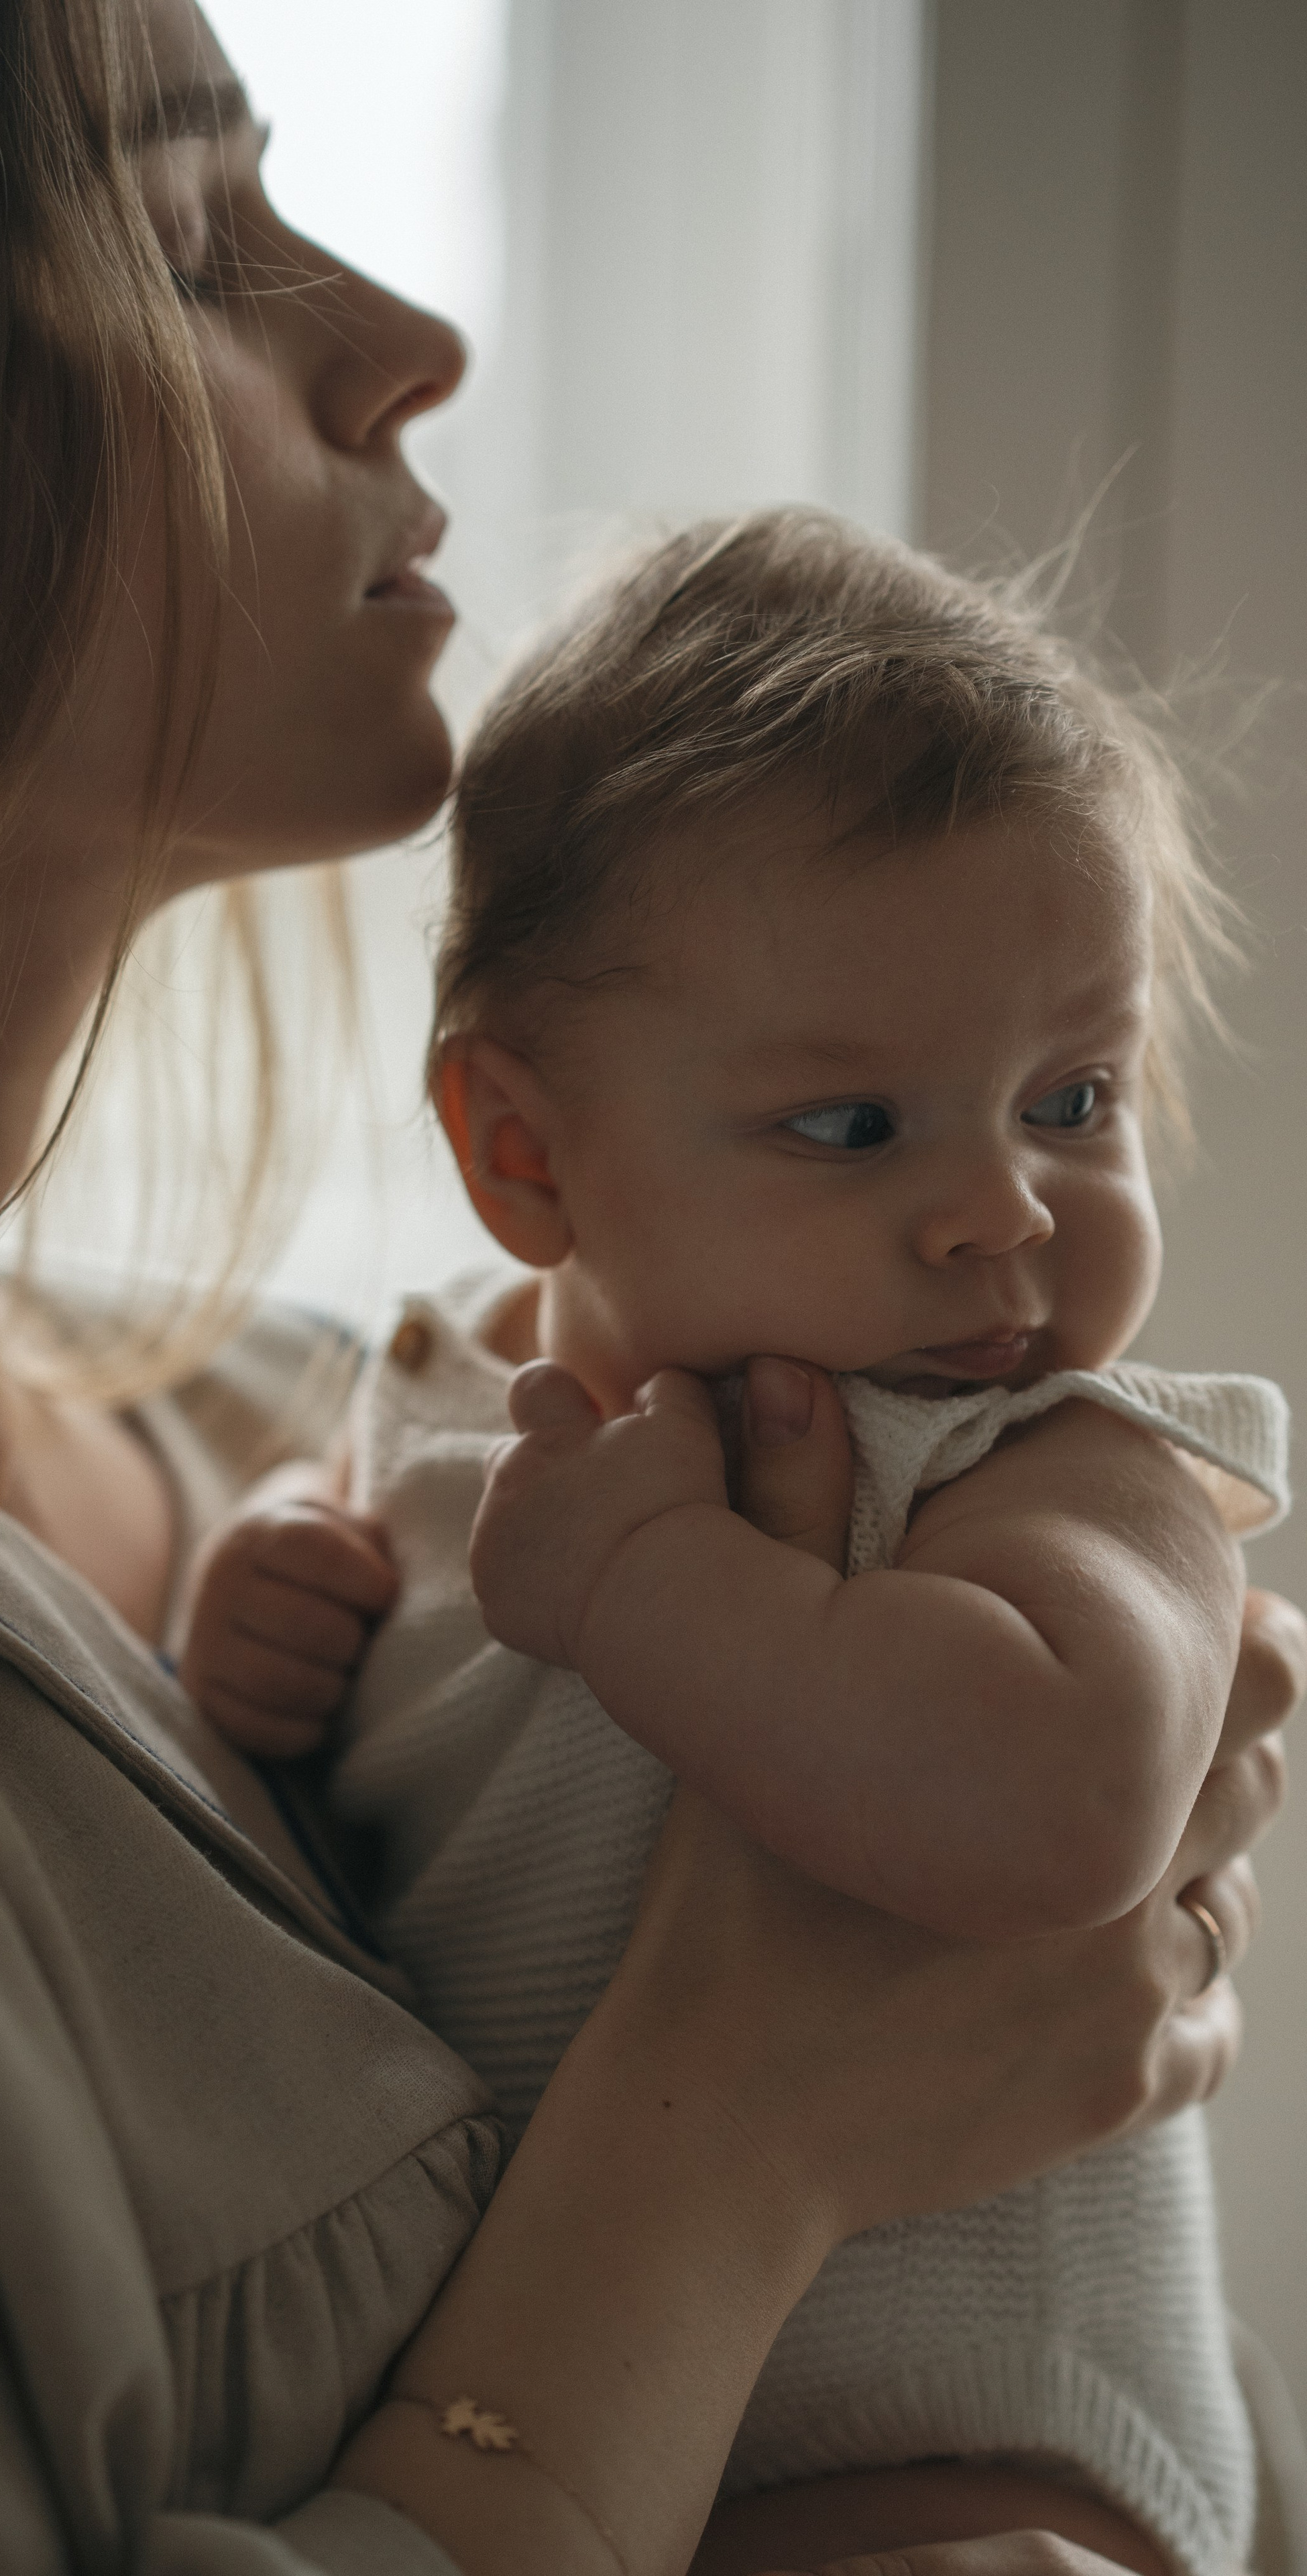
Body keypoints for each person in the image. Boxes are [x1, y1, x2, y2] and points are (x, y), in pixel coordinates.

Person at [0, 7, 1296, 2575]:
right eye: (193, 247)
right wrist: (747, 2124)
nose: (413, 340)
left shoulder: (349, 1434)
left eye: (1072, 1100)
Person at [179, 511, 1293, 2576]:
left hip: (975, 2471)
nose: (1005, 1211)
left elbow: (1071, 1803)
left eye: (1074, 1099)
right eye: (855, 1126)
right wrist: (269, 1578)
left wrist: (655, 1596)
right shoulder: (447, 1391)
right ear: (526, 1154)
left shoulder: (1036, 1446)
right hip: (582, 2432)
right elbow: (399, 1579)